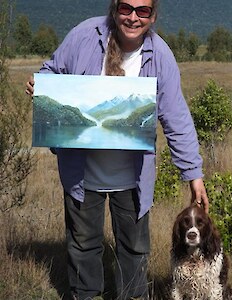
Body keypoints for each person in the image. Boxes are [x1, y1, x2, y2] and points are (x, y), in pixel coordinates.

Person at [26, 0, 209, 299]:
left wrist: (194, 174)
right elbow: (52, 69)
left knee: (135, 249)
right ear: (114, 8)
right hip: (81, 175)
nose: (133, 17)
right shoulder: (84, 36)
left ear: (152, 15)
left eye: (142, 10)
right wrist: (40, 84)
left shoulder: (160, 55)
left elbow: (177, 119)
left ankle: (133, 296)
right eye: (126, 8)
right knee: (83, 245)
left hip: (133, 179)